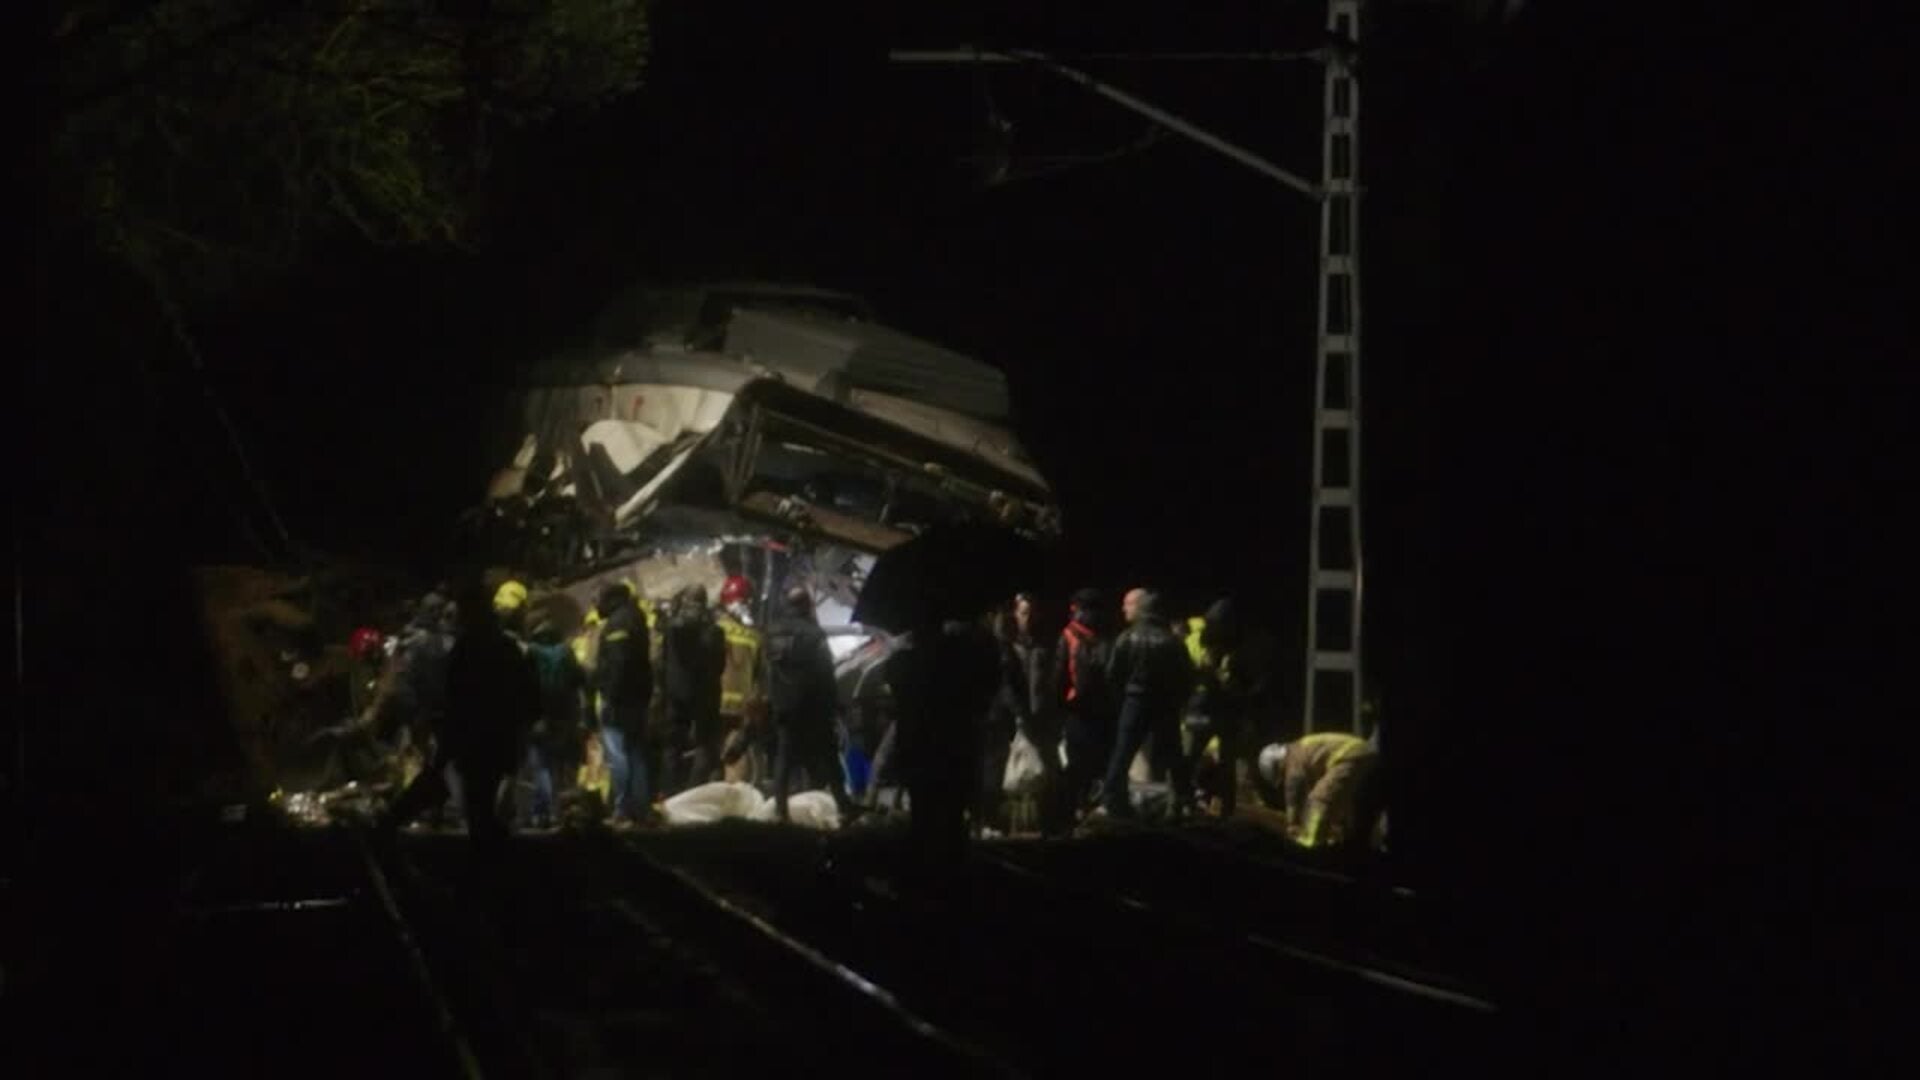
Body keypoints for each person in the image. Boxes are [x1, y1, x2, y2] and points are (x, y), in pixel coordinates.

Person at [381, 585, 540, 861]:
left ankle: (490, 869)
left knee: (474, 803)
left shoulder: (466, 649)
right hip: (497, 737)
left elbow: (458, 698)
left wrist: (447, 739)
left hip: (473, 738)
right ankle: (495, 861)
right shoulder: (505, 646)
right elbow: (528, 693)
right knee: (480, 803)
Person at [888, 598, 1001, 875]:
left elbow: (895, 688)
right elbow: (986, 688)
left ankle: (920, 874)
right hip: (955, 747)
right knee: (952, 815)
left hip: (917, 747)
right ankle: (951, 873)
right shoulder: (961, 655)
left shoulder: (904, 659)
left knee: (922, 815)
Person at [1101, 588, 1195, 820]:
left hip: (1134, 701)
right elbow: (1187, 677)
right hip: (1165, 704)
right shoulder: (1173, 641)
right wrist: (1177, 700)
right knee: (1174, 755)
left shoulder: (1127, 637)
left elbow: (1112, 674)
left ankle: (1114, 801)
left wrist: (1122, 699)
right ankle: (1182, 801)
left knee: (1122, 753)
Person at [764, 587, 856, 822]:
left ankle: (781, 811)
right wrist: (834, 705)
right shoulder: (814, 634)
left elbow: (769, 670)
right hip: (813, 705)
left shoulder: (772, 632)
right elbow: (825, 674)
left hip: (784, 705)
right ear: (807, 606)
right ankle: (844, 805)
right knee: (829, 755)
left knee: (783, 757)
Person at [1188, 598, 1279, 817]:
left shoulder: (1246, 646)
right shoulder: (1201, 640)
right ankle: (1185, 803)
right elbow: (1188, 673)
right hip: (1203, 709)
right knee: (1190, 759)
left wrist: (1238, 687)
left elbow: (1257, 683)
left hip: (1226, 711)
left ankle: (1223, 811)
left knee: (1225, 763)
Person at [593, 581, 655, 827]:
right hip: (638, 698)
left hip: (621, 700)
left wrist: (610, 695)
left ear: (610, 599)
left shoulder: (618, 622)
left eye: (598, 599)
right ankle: (640, 808)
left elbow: (620, 664)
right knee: (636, 753)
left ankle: (622, 809)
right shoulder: (635, 617)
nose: (596, 605)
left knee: (618, 755)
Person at [1052, 588, 1117, 824]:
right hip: (1092, 710)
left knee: (1084, 764)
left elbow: (1059, 675)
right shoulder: (1103, 634)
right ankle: (1083, 812)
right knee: (1090, 762)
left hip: (1086, 710)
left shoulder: (1075, 635)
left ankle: (1079, 811)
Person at [1258, 731, 1384, 850]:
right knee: (1348, 810)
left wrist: (1292, 822)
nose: (1284, 777)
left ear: (1278, 763)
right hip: (1363, 753)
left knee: (1319, 799)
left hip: (1347, 756)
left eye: (1281, 774)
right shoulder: (1301, 748)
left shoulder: (1293, 757)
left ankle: (1310, 844)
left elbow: (1294, 789)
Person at [660, 584, 729, 795]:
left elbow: (662, 661)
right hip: (705, 695)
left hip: (675, 694)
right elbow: (719, 665)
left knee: (672, 746)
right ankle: (693, 792)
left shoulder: (671, 628)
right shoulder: (715, 631)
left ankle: (669, 793)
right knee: (705, 744)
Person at [520, 618, 588, 829]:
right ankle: (562, 810)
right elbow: (579, 679)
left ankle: (544, 811)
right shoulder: (567, 651)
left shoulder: (531, 652)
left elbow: (525, 685)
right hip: (565, 716)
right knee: (561, 765)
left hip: (539, 716)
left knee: (541, 765)